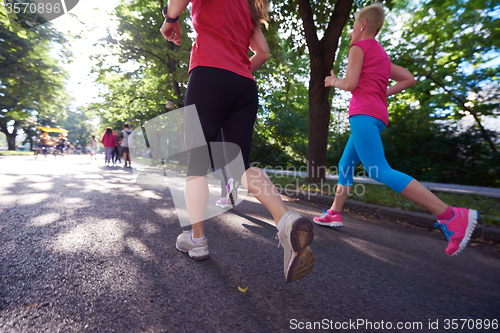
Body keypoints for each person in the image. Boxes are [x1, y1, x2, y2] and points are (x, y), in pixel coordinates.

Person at [160, 0, 315, 283]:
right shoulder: (248, 5)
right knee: (240, 167)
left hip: (208, 73)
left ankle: (197, 239)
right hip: (244, 85)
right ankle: (285, 220)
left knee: (196, 161)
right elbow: (263, 53)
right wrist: (237, 71)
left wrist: (170, 18)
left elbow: (176, 5)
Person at [313, 3, 478, 257]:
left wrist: (333, 81)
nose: (351, 32)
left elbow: (351, 83)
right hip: (376, 115)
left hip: (363, 114)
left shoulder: (358, 47)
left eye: (353, 26)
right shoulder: (381, 55)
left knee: (379, 170)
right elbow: (409, 78)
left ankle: (451, 215)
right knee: (346, 164)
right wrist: (382, 93)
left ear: (363, 25)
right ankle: (334, 212)